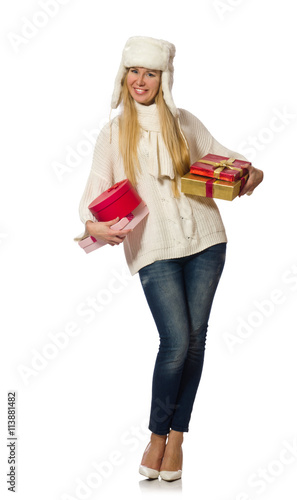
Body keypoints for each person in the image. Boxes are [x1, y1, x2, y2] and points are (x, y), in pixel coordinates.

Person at [77, 36, 263, 481]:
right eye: (134, 71)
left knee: (195, 341)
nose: (141, 80)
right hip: (154, 248)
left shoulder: (184, 123)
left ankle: (177, 436)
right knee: (176, 341)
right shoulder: (112, 132)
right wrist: (93, 226)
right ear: (124, 76)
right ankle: (157, 434)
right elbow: (90, 200)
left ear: (164, 78)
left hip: (206, 241)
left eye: (151, 73)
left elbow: (231, 159)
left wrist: (253, 172)